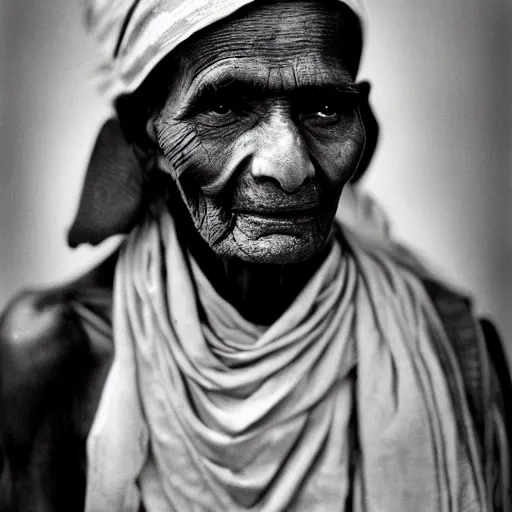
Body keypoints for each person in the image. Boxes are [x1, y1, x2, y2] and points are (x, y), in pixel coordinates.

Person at [0, 0, 510, 510]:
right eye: (224, 107)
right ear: (144, 133)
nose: (287, 165)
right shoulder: (56, 356)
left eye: (325, 109)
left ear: (365, 124)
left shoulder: (452, 348)